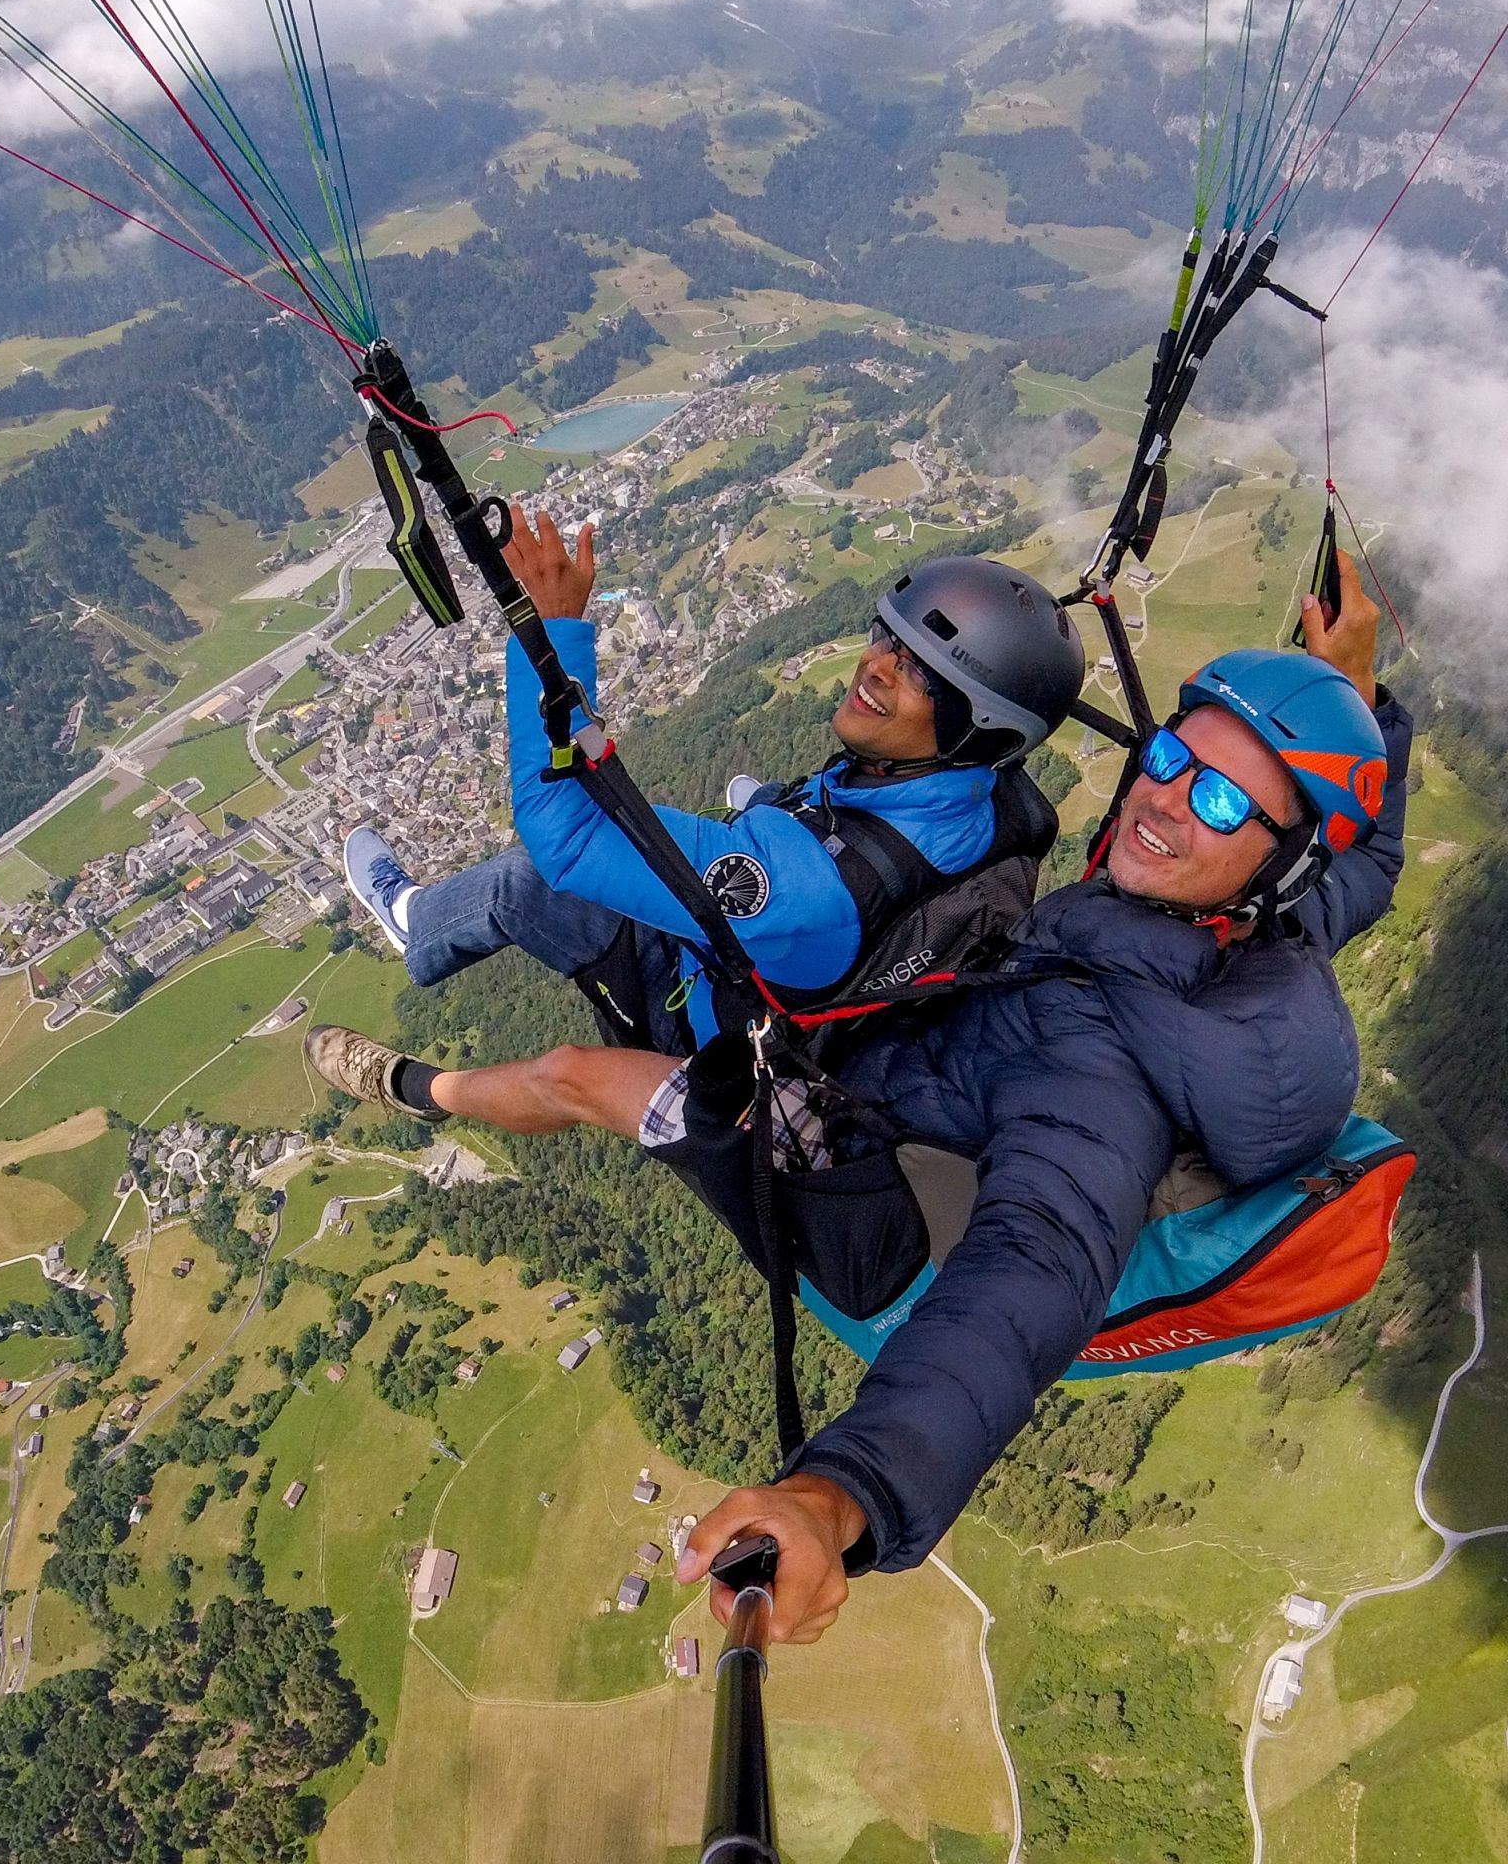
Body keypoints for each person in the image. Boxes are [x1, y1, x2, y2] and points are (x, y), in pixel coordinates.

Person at [318, 543, 1408, 1648]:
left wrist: (842, 1496)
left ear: (1275, 860)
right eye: (1172, 755)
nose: (1162, 798)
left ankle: (417, 1088)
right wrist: (1349, 694)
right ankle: (453, 954)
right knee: (580, 894)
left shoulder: (1100, 1074)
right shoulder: (1247, 924)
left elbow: (1025, 1279)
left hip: (865, 1225)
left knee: (578, 1077)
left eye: (1218, 798)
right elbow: (1361, 860)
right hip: (900, 1071)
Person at [306, 508, 1087, 1128]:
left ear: (980, 730)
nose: (877, 666)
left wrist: (550, 631)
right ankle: (760, 816)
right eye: (889, 637)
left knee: (527, 881)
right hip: (832, 954)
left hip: (711, 1020)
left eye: (920, 672)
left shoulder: (802, 890)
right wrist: (772, 821)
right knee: (754, 804)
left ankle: (418, 930)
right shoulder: (985, 795)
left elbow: (570, 833)